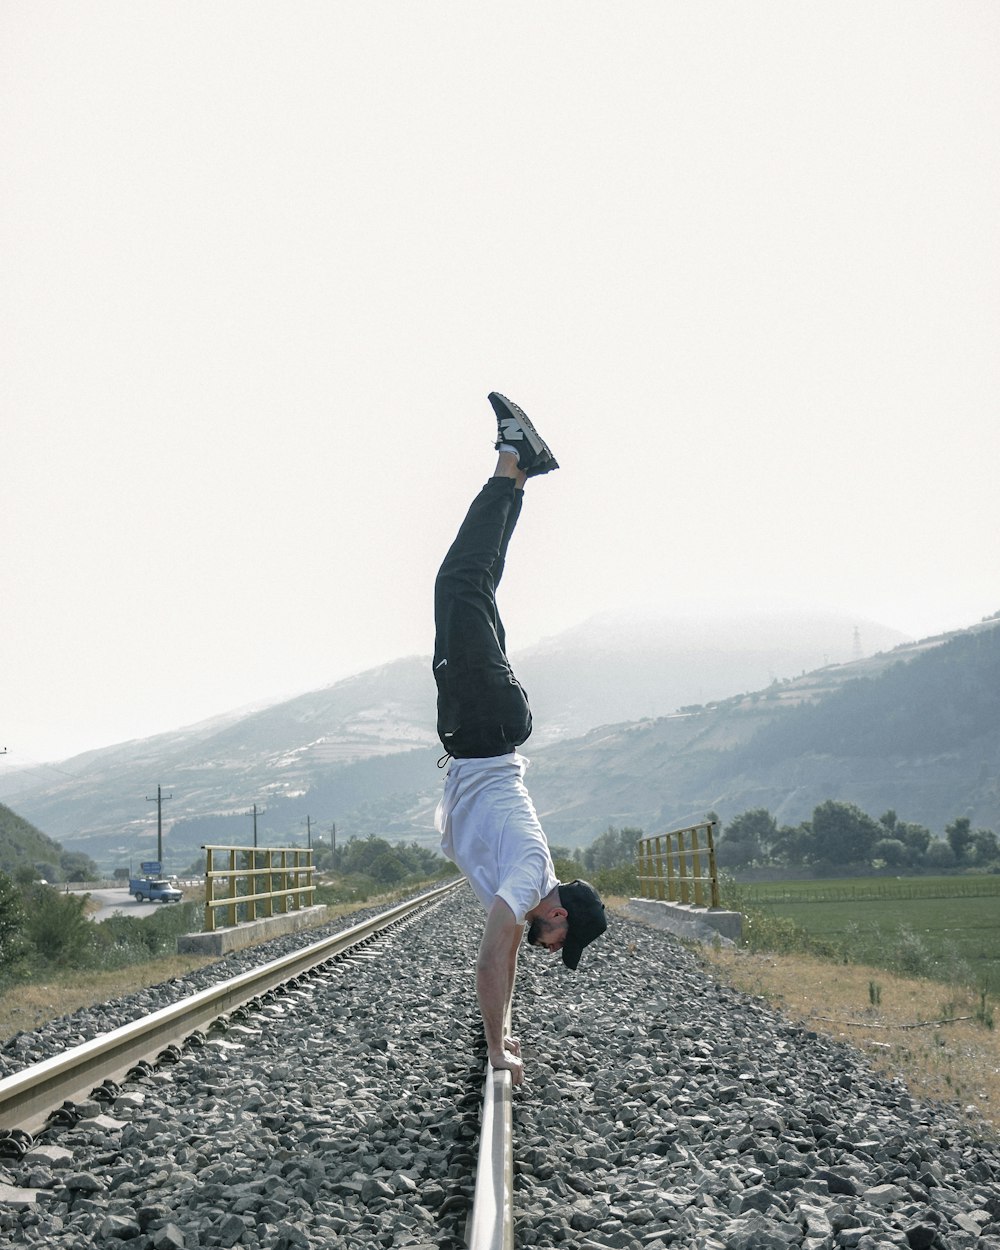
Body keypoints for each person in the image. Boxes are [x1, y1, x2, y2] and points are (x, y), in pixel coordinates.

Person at [433, 391, 607, 1085]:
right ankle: (515, 459)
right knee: (460, 582)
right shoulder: (532, 873)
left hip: (484, 727)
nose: (547, 947)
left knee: (473, 586)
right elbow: (494, 958)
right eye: (559, 940)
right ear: (558, 912)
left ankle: (520, 468)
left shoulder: (527, 876)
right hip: (485, 725)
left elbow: (503, 954)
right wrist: (497, 1045)